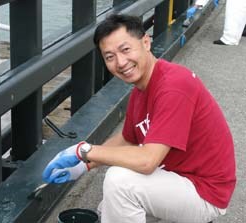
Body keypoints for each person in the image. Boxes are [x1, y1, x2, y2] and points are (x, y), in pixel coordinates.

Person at [42, 14, 236, 223]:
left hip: (205, 192)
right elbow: (128, 139)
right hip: (178, 176)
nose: (121, 62)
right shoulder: (141, 89)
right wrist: (84, 165)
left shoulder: (174, 86)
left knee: (120, 183)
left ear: (146, 42)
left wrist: (83, 150)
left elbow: (147, 161)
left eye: (125, 50)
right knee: (109, 207)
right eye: (109, 57)